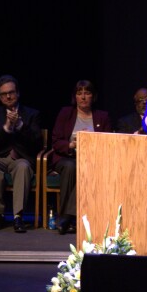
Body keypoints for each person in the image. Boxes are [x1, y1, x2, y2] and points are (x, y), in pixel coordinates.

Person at [49, 79, 112, 235]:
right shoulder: (66, 113)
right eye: (79, 93)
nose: (83, 97)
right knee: (71, 166)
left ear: (93, 96)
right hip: (66, 158)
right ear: (75, 97)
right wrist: (71, 145)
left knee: (86, 169)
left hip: (92, 160)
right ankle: (70, 218)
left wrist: (92, 142)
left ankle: (66, 217)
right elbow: (56, 141)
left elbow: (108, 142)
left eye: (87, 93)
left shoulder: (102, 116)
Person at [0, 75, 43, 233]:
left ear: (18, 93)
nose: (8, 96)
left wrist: (20, 124)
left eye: (11, 92)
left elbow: (37, 141)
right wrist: (7, 127)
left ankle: (18, 217)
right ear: (0, 97)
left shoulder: (32, 114)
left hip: (21, 158)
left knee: (23, 167)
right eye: (4, 94)